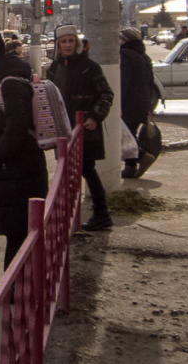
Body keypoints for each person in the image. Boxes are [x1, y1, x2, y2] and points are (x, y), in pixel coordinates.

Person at [0, 28, 48, 273]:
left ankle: (14, 288)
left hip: (18, 173)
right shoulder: (1, 78)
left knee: (17, 233)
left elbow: (16, 127)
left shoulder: (8, 83)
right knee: (18, 234)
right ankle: (18, 285)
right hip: (18, 171)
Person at [47, 24, 115, 231]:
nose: (67, 45)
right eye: (63, 41)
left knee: (87, 170)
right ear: (58, 44)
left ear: (77, 43)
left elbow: (106, 94)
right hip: (63, 129)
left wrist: (95, 116)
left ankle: (101, 213)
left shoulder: (90, 67)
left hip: (85, 128)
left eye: (71, 41)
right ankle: (66, 215)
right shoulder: (54, 68)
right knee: (65, 171)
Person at [119, 27, 156, 179]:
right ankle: (130, 168)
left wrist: (117, 103)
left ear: (125, 40)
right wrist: (148, 106)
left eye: (120, 39)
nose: (118, 42)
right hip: (141, 102)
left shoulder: (125, 55)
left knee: (122, 136)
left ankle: (141, 156)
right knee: (130, 134)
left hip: (129, 103)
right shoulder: (144, 56)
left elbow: (123, 81)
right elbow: (150, 82)